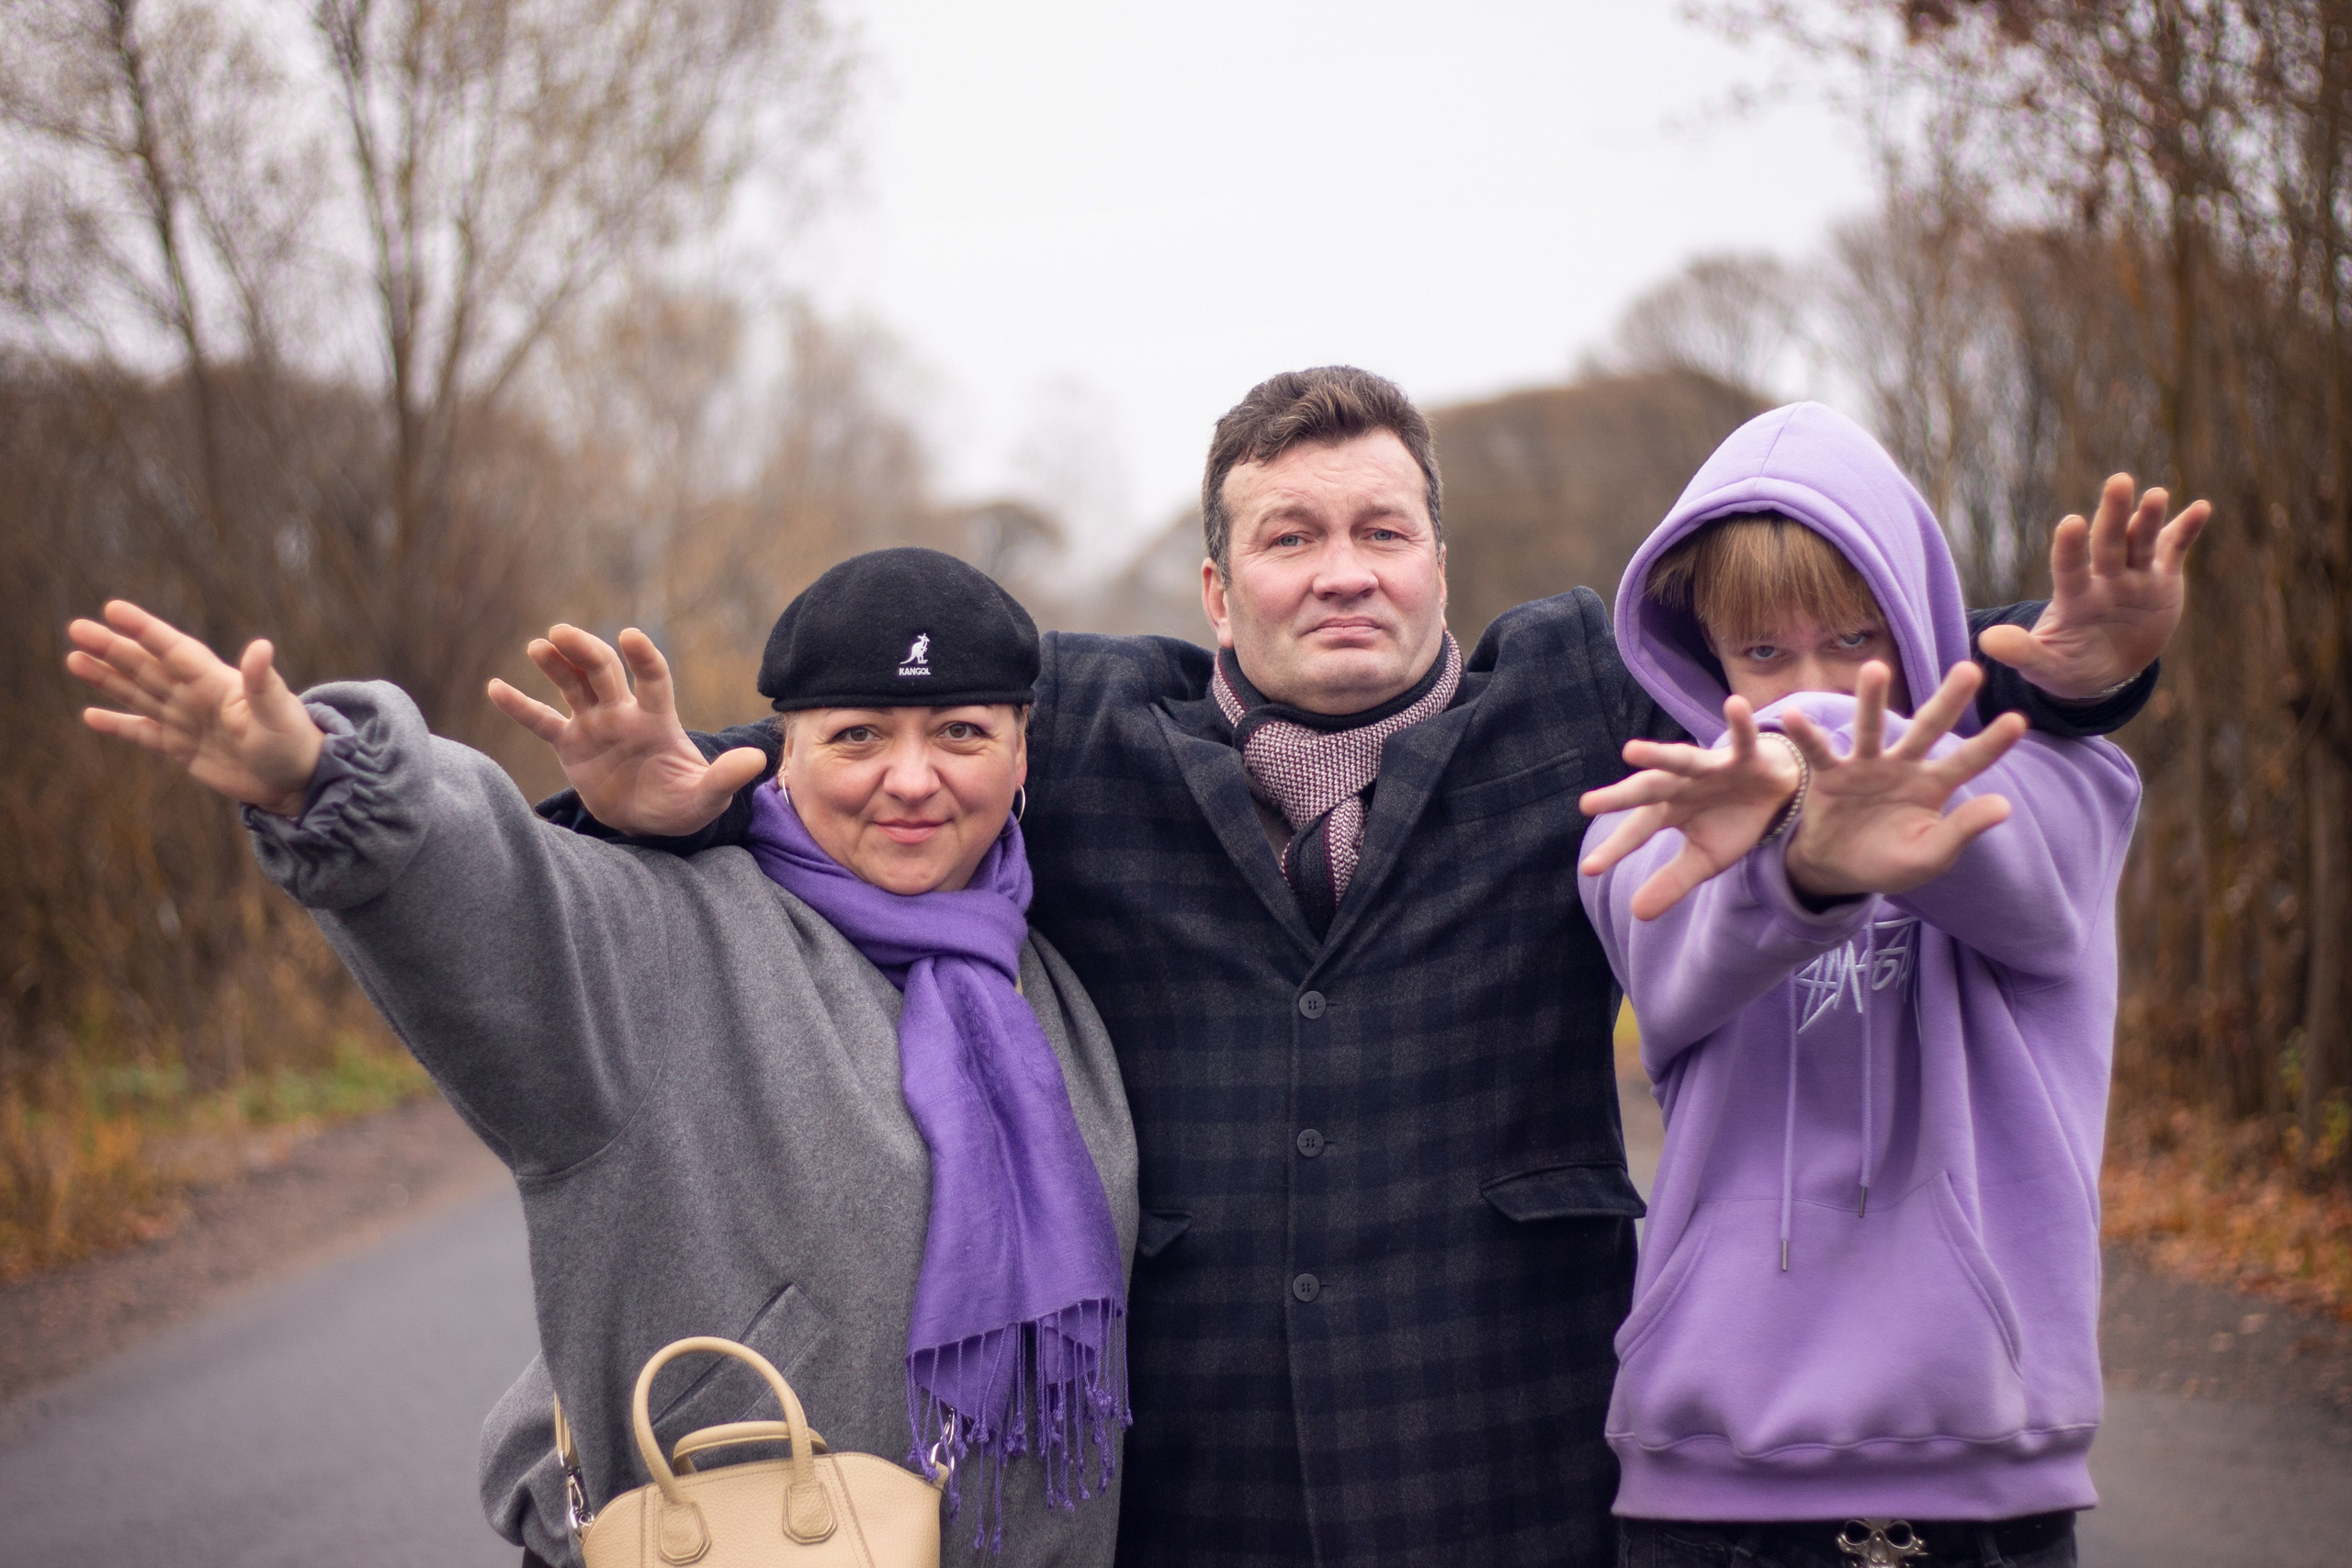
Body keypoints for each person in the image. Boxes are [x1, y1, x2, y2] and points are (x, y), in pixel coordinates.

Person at [525, 367, 2201, 1566]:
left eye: (1384, 529)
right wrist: (672, 795)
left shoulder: (1573, 702)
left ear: (1439, 566)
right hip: (1198, 1472)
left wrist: (2073, 682)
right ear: (1216, 586)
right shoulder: (1093, 730)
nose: (1344, 569)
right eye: (1292, 534)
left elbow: (1834, 656)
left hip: (1516, 1452)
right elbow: (881, 741)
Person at [62, 549, 1139, 1568]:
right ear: (787, 752)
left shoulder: (1050, 988)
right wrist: (316, 778)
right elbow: (495, 897)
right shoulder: (666, 935)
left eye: (960, 732)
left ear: (1019, 756)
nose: (910, 778)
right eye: (858, 735)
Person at [1577, 403, 2145, 1567]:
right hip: (1705, 1481)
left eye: (1853, 637)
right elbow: (1677, 974)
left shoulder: (2057, 786)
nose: (1812, 688)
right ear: (1704, 657)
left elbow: (2021, 888)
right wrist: (1802, 870)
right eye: (1761, 654)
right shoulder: (1656, 822)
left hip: (1976, 1475)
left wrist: (1813, 780)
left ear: (1917, 621)